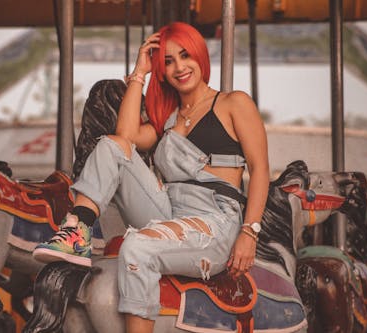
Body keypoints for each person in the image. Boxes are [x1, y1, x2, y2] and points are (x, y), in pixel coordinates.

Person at [33, 21, 269, 333]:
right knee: (111, 146)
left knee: (137, 247)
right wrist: (139, 73)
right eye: (168, 61)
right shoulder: (167, 120)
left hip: (214, 221)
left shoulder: (232, 103)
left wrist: (249, 232)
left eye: (185, 56)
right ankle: (77, 231)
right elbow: (125, 137)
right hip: (167, 211)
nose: (179, 67)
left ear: (200, 56)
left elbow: (261, 169)